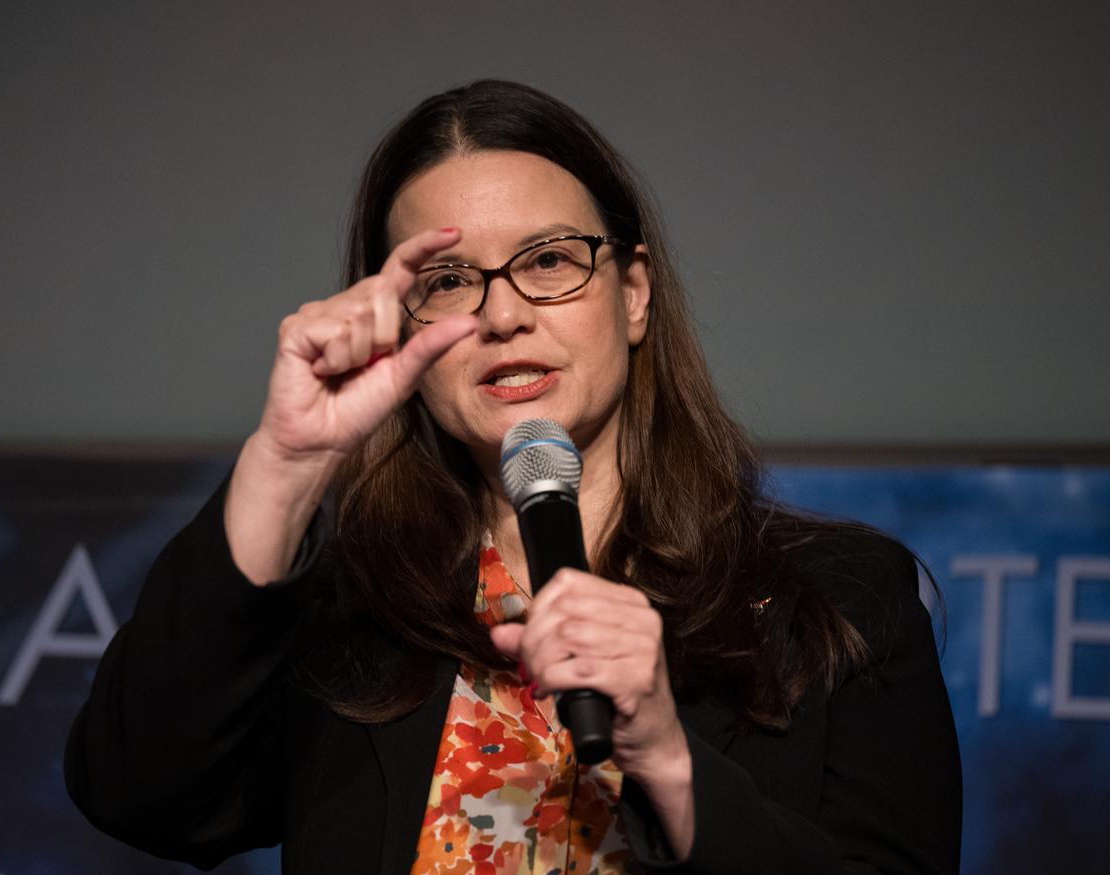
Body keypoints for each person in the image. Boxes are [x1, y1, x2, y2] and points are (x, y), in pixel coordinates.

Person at [65, 79, 961, 874]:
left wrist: (671, 761)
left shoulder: (837, 601)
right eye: (449, 280)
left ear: (634, 292)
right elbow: (140, 794)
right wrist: (284, 466)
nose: (502, 315)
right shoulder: (350, 620)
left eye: (547, 262)